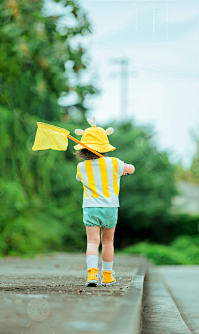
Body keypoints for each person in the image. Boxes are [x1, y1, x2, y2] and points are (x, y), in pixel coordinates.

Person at [74, 117, 135, 287]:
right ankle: (107, 276)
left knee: (92, 242)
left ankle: (92, 275)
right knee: (108, 242)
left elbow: (80, 178)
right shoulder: (114, 163)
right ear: (104, 146)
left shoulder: (81, 167)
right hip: (110, 208)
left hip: (91, 208)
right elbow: (131, 169)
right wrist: (122, 172)